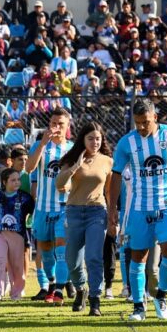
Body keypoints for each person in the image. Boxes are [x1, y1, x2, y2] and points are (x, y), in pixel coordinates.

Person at [108, 98, 167, 321]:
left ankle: (161, 295)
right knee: (138, 256)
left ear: (155, 117)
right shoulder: (127, 143)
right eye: (137, 122)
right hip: (139, 207)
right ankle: (138, 306)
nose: (141, 127)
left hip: (166, 205)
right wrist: (112, 208)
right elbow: (116, 175)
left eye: (145, 122)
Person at [56, 121, 113, 316]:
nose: (95, 142)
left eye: (98, 138)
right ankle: (81, 288)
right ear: (83, 140)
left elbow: (110, 191)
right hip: (73, 212)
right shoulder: (71, 158)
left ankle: (95, 300)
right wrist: (75, 167)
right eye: (90, 138)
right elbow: (59, 184)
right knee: (71, 259)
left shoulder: (107, 161)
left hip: (97, 211)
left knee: (94, 257)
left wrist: (113, 215)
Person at [26, 107, 73, 304]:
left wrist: (69, 184)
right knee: (45, 251)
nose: (57, 127)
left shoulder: (72, 148)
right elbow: (29, 168)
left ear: (67, 126)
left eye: (61, 124)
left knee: (61, 248)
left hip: (64, 206)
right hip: (43, 208)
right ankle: (54, 283)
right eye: (53, 123)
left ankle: (60, 291)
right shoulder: (39, 145)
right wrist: (43, 144)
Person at [0, 168, 35, 301]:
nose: (17, 182)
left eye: (18, 179)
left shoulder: (25, 198)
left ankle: (16, 292)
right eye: (13, 180)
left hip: (17, 235)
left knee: (17, 265)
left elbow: (34, 214)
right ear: (4, 182)